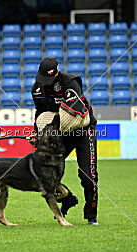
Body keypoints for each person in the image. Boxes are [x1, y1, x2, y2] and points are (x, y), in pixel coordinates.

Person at [29, 57, 99, 225]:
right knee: (45, 170)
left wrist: (48, 131)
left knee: (88, 176)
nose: (45, 83)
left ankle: (91, 215)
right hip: (60, 133)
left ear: (57, 71)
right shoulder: (37, 88)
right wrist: (37, 132)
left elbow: (76, 110)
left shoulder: (71, 82)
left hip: (83, 129)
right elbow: (40, 112)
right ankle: (66, 198)